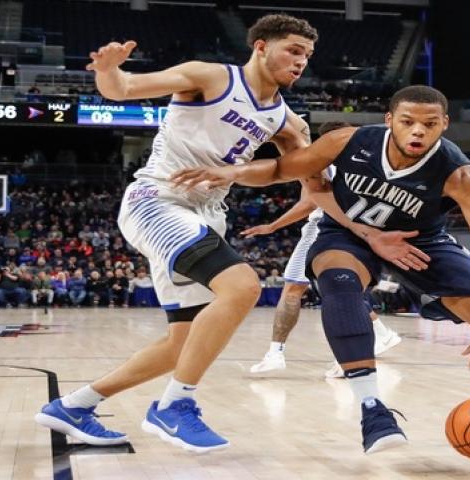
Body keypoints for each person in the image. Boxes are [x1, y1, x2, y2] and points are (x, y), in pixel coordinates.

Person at [35, 14, 417, 453]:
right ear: (261, 46)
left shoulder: (287, 122)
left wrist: (367, 233)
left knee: (183, 344)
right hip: (157, 200)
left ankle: (75, 406)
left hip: (206, 216)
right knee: (243, 286)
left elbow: (315, 190)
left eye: (307, 55)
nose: (301, 62)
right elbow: (123, 89)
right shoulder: (210, 77)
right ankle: (174, 406)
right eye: (293, 51)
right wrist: (108, 69)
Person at [173, 85, 470, 457]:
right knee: (339, 283)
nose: (418, 130)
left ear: (444, 124)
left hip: (421, 242)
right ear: (390, 120)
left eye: (430, 123)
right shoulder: (349, 141)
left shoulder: (460, 175)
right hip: (349, 234)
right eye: (408, 121)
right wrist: (231, 172)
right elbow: (280, 168)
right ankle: (372, 409)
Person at [246, 122, 401, 376]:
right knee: (345, 291)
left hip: (325, 227)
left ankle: (281, 353)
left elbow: (309, 202)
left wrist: (273, 226)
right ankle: (381, 335)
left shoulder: (321, 160)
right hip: (359, 228)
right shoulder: (368, 161)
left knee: (297, 290)